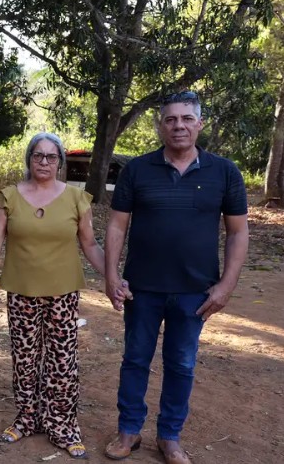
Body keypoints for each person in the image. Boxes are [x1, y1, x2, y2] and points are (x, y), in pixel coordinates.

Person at [102, 91, 248, 464]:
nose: (178, 125)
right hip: (142, 289)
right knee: (135, 360)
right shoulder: (136, 169)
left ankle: (170, 436)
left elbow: (237, 232)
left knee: (181, 364)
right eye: (170, 119)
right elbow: (117, 226)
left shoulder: (225, 172)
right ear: (160, 125)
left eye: (186, 118)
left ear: (200, 124)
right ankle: (129, 431)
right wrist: (111, 275)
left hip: (194, 292)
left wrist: (226, 286)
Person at [0, 132, 104, 459]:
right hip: (22, 292)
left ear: (60, 162)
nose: (43, 162)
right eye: (37, 155)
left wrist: (113, 277)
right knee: (25, 360)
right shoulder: (9, 198)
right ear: (28, 159)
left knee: (62, 361)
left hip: (63, 293)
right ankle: (27, 418)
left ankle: (63, 426)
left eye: (50, 157)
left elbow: (90, 245)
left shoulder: (75, 199)